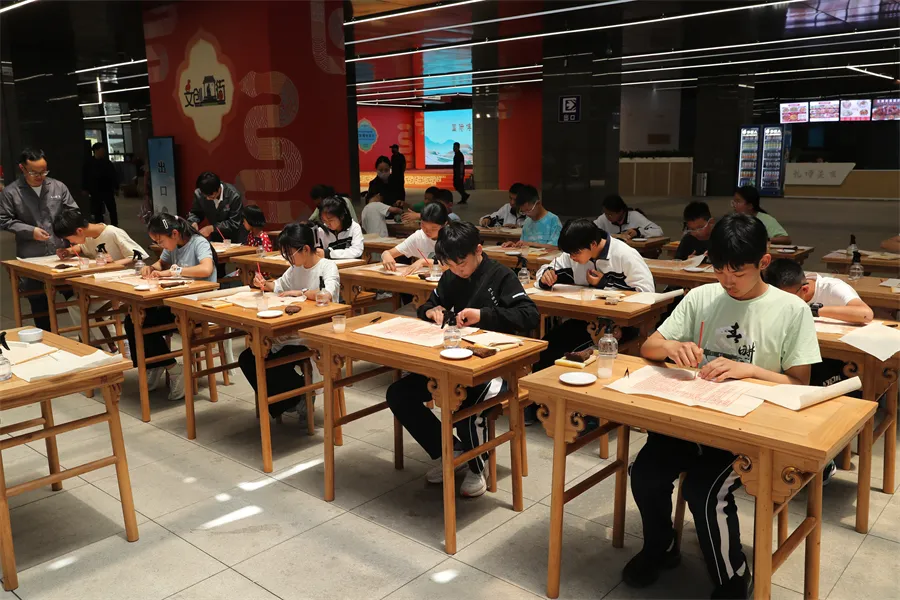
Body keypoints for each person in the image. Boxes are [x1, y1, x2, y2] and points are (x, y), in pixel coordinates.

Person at [626, 214, 821, 599]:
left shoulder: (790, 309)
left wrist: (751, 370)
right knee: (645, 473)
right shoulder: (701, 297)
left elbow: (801, 384)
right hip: (692, 418)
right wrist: (672, 346)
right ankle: (661, 546)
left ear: (764, 262)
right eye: (719, 270)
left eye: (738, 272)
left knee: (703, 491)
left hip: (746, 432)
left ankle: (733, 574)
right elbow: (649, 346)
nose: (727, 281)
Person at [386, 221, 540, 497]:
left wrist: (483, 315)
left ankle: (477, 466)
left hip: (496, 366)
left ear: (478, 250)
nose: (457, 270)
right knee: (399, 394)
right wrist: (431, 312)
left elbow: (530, 315)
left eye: (461, 264)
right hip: (453, 362)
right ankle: (450, 451)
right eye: (450, 265)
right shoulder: (450, 276)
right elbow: (429, 304)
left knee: (465, 407)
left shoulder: (501, 275)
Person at [526, 218, 654, 423]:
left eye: (575, 254)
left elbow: (647, 294)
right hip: (584, 321)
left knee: (572, 354)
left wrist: (605, 283)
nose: (572, 258)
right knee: (547, 347)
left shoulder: (624, 255)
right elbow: (547, 268)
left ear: (593, 244)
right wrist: (545, 276)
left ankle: (584, 414)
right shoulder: (574, 253)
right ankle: (542, 406)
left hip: (619, 326)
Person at [243, 222, 340, 418]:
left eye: (290, 254)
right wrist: (264, 283)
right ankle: (293, 397)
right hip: (290, 331)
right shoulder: (296, 267)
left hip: (313, 333)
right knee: (249, 358)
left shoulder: (327, 267)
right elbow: (279, 286)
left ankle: (296, 396)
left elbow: (326, 295)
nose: (288, 259)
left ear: (306, 249)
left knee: (268, 358)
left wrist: (301, 292)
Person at [133, 213, 217, 401]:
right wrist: (151, 268)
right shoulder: (172, 246)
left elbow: (206, 269)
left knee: (144, 323)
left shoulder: (198, 243)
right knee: (133, 320)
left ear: (175, 233)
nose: (160, 245)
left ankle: (172, 368)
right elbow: (161, 263)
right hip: (177, 302)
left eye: (161, 241)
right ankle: (157, 364)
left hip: (197, 306)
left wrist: (175, 271)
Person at [0, 148, 78, 332]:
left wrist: (68, 232)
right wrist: (30, 231)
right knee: (39, 303)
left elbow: (73, 212)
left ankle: (87, 338)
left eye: (44, 171)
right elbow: (4, 220)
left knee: (76, 296)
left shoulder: (58, 187)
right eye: (34, 172)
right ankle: (47, 338)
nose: (40, 176)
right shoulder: (11, 192)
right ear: (22, 168)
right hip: (31, 256)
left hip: (61, 253)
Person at [381, 202, 449, 275]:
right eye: (423, 226)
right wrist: (386, 255)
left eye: (433, 228)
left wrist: (423, 262)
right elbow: (389, 253)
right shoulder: (419, 237)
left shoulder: (451, 237)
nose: (427, 231)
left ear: (445, 224)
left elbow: (450, 265)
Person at [189, 171, 246, 244]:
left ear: (219, 189)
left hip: (234, 239)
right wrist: (193, 221)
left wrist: (212, 228)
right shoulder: (199, 194)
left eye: (210, 196)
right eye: (205, 196)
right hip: (215, 239)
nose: (207, 198)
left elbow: (234, 222)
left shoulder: (234, 196)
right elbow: (196, 212)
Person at [594, 194, 664, 239]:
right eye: (605, 213)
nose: (607, 217)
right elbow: (590, 229)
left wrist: (638, 232)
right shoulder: (603, 218)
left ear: (621, 211)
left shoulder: (635, 216)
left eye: (610, 214)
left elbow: (658, 231)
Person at [82, 143, 119, 226]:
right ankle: (100, 225)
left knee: (112, 209)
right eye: (101, 150)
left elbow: (113, 175)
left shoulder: (107, 163)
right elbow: (85, 176)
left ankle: (115, 225)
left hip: (107, 189)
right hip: (95, 190)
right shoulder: (89, 163)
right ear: (96, 151)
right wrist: (85, 188)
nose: (103, 152)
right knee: (97, 210)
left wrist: (116, 187)